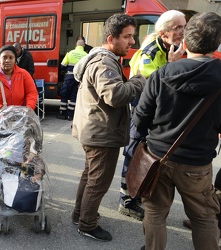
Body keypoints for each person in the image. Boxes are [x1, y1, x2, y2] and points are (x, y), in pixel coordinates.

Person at [133, 12, 221, 250]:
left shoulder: (163, 73)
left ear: (187, 41)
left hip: (158, 157)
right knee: (203, 217)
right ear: (216, 43)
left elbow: (140, 117)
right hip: (197, 163)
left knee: (155, 212)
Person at [71, 14, 146, 242]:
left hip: (95, 129)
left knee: (90, 176)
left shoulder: (103, 58)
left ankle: (80, 214)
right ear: (111, 38)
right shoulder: (104, 62)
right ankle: (87, 224)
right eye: (128, 37)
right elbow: (115, 95)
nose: (132, 42)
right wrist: (138, 81)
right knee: (98, 181)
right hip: (101, 133)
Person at [119, 10, 186, 221]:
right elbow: (152, 86)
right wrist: (172, 66)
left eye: (184, 26)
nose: (182, 32)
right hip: (143, 112)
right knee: (134, 154)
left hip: (157, 114)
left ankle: (138, 194)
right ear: (164, 32)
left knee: (147, 157)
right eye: (178, 28)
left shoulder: (170, 48)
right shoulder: (149, 53)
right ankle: (127, 202)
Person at [0, 45, 38, 117]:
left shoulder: (24, 74)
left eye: (11, 58)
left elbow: (31, 93)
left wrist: (29, 108)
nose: (7, 60)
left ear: (15, 60)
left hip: (20, 117)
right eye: (4, 57)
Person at [57, 39, 87, 121]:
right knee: (74, 95)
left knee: (64, 94)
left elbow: (63, 65)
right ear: (83, 46)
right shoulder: (86, 55)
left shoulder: (70, 53)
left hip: (69, 77)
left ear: (76, 45)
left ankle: (62, 113)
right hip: (79, 78)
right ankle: (70, 115)